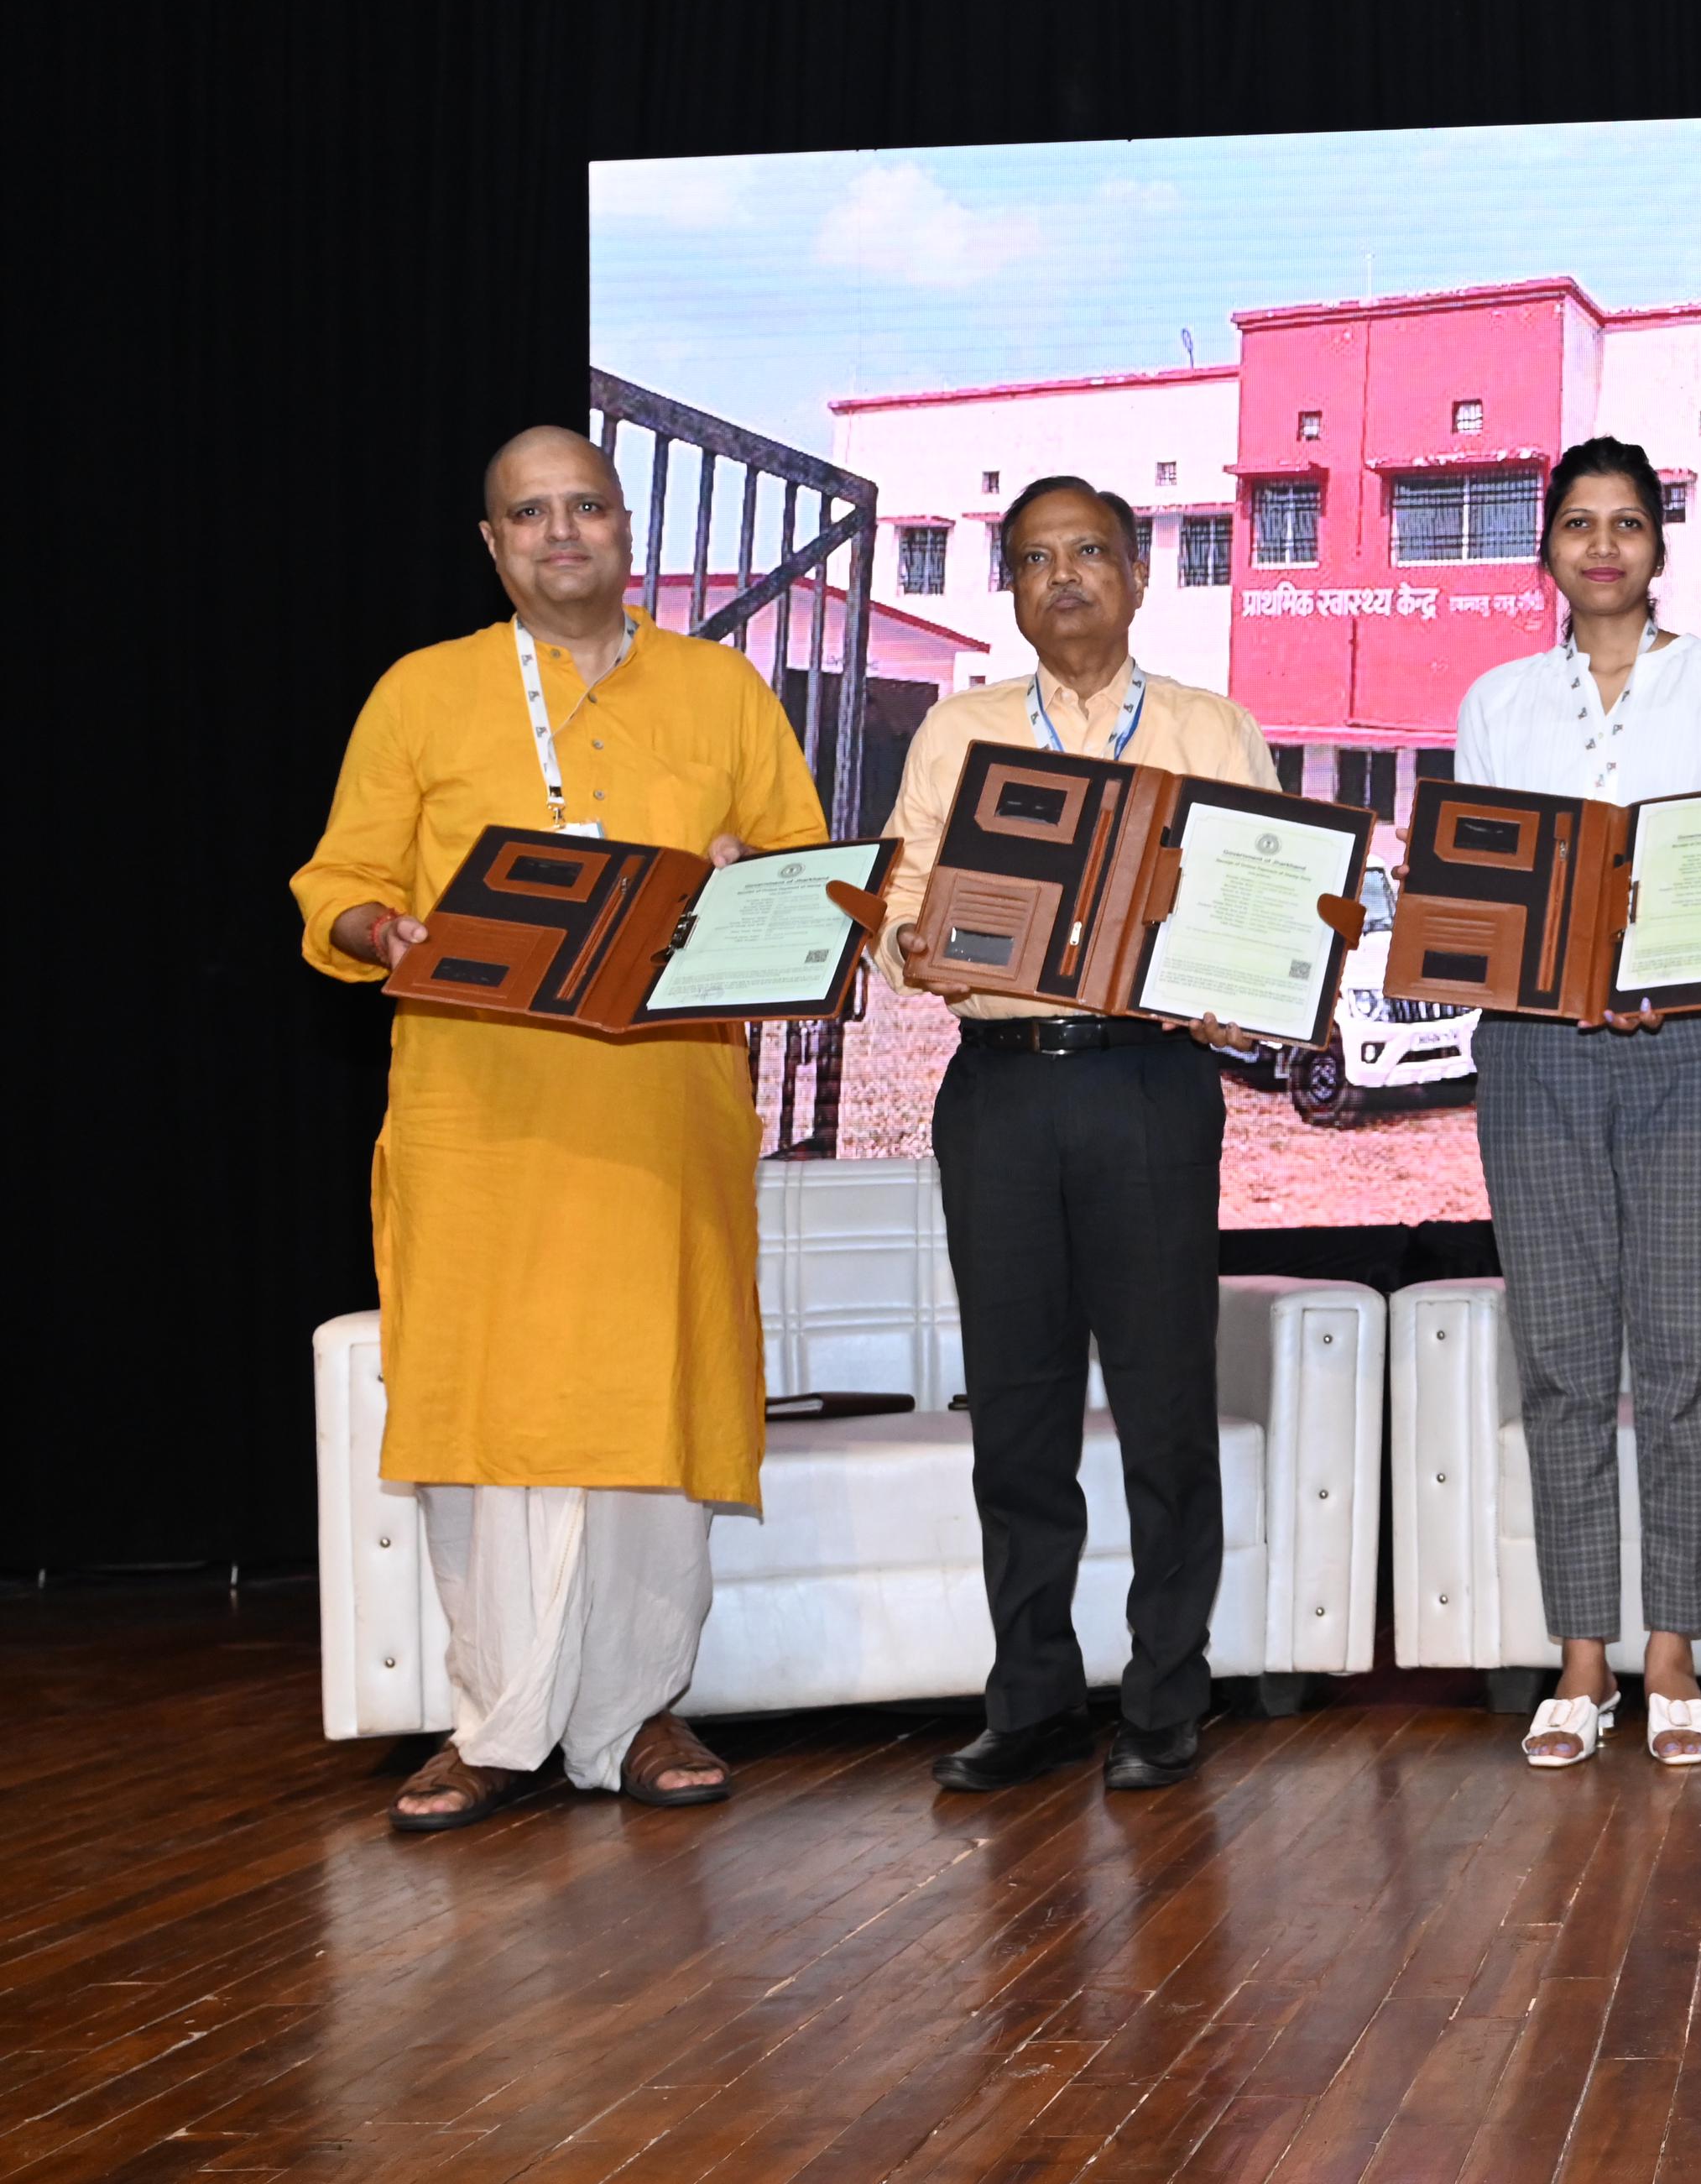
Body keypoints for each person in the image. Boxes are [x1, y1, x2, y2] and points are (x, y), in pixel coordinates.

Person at [294, 426, 828, 1829]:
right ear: (492, 546)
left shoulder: (720, 691)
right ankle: (493, 1723)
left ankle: (641, 1708)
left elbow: (818, 880)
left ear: (626, 525)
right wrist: (374, 922)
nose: (560, 533)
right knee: (488, 1418)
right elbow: (337, 880)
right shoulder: (423, 693)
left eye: (584, 505)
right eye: (528, 515)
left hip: (662, 1119)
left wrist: (746, 886)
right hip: (479, 1119)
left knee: (654, 1410)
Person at [877, 476, 1281, 1795]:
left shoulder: (1211, 730)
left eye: (1089, 553)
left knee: (1167, 1409)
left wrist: (1252, 973)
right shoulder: (960, 730)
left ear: (1138, 573)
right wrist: (916, 944)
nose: (1065, 578)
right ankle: (1034, 1692)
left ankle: (1167, 1693)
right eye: (1036, 558)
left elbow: (1267, 915)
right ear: (1009, 587)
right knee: (1020, 1415)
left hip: (1147, 1090)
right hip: (999, 1089)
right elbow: (899, 895)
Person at [1455, 436, 1701, 1768]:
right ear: (1547, 548)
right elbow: (1491, 892)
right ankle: (1583, 1654)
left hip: (1700, 1047)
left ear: (1661, 549)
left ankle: (1674, 1652)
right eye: (1579, 525)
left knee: (1689, 1355)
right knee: (1558, 1358)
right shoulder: (1497, 703)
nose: (1603, 546)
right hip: (1538, 1051)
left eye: (1627, 525)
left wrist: (1681, 966)